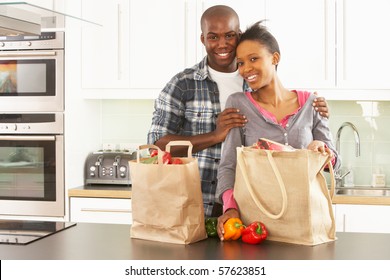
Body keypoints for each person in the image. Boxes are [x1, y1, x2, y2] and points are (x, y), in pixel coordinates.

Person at [147, 5, 330, 217]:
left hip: (248, 205)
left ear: (239, 35)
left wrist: (313, 108)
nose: (222, 44)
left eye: (230, 35)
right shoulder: (182, 85)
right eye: (213, 37)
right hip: (193, 200)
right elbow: (157, 145)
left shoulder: (255, 80)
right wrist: (215, 136)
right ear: (203, 39)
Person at [215, 20, 340, 238]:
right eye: (241, 63)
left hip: (303, 220)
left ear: (274, 58)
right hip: (256, 222)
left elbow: (335, 163)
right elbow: (228, 164)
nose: (246, 69)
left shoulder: (312, 103)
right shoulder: (237, 103)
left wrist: (323, 149)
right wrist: (230, 207)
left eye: (254, 59)